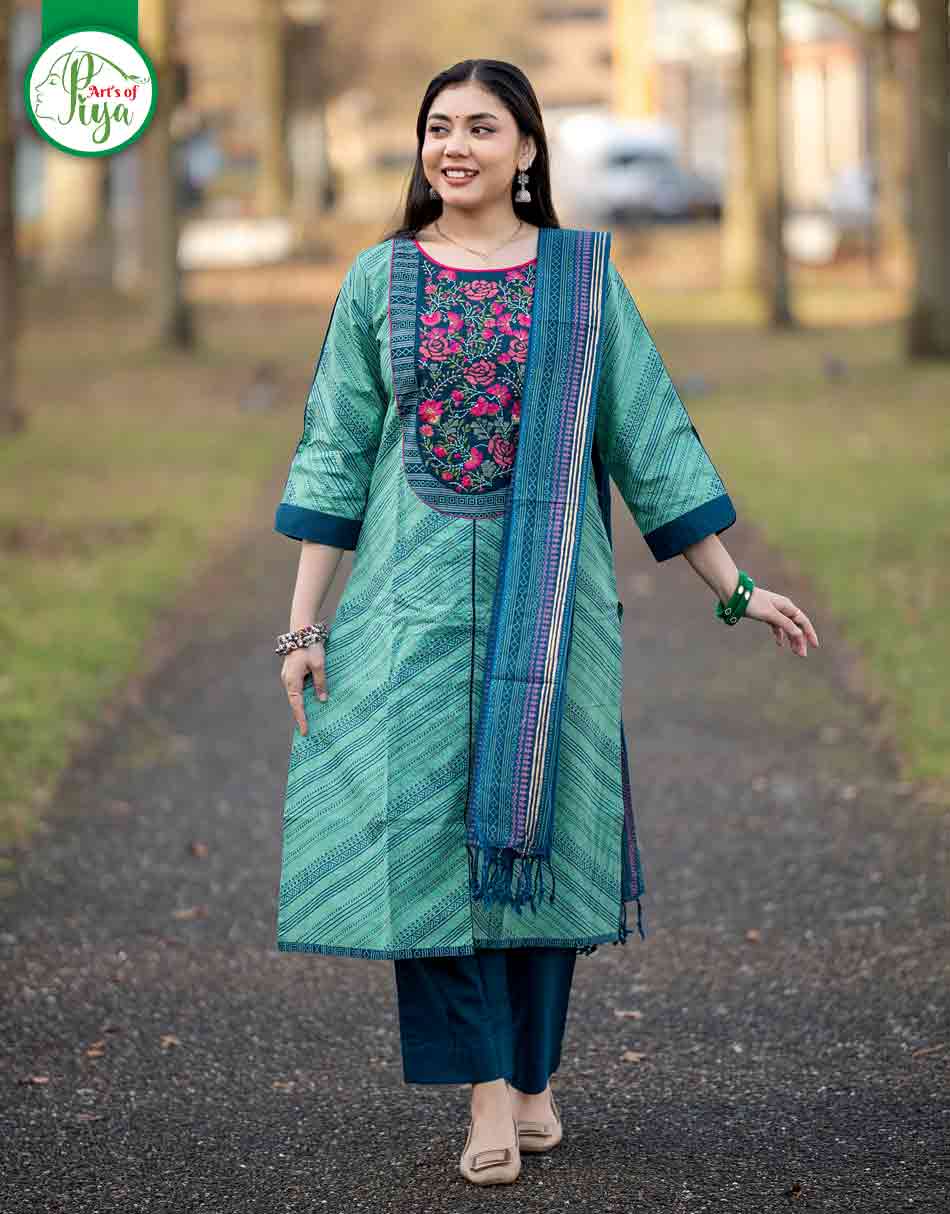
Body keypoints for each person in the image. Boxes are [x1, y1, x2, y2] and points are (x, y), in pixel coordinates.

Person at [272, 59, 820, 1187]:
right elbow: (335, 447)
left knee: (545, 834)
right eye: (437, 127)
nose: (453, 146)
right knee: (424, 842)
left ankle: (531, 1073)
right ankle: (484, 1090)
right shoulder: (381, 278)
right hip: (410, 609)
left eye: (481, 127)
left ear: (527, 148)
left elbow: (647, 438)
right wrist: (303, 625)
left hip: (555, 607)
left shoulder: (581, 282)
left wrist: (732, 586)